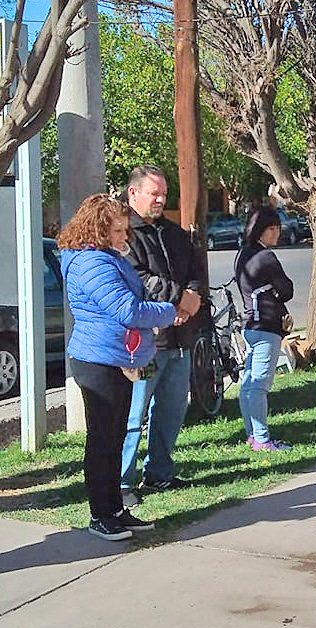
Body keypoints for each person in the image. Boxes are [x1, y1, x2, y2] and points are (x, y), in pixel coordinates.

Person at [59, 195, 177, 540]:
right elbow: (127, 310)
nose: (126, 236)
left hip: (114, 358)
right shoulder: (91, 263)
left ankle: (115, 510)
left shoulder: (105, 257)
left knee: (114, 438)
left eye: (126, 230)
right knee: (102, 441)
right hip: (98, 362)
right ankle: (101, 515)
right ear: (98, 229)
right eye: (118, 230)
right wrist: (170, 312)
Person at [120, 165, 203, 508]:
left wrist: (191, 301)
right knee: (133, 417)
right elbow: (139, 279)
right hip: (145, 344)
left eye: (164, 194)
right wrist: (178, 299)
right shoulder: (125, 234)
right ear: (133, 193)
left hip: (180, 339)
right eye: (154, 193)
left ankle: (159, 473)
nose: (160, 200)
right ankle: (121, 483)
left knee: (171, 411)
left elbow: (195, 271)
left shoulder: (174, 233)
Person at [235, 207, 294, 451]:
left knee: (248, 383)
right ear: (263, 230)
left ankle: (252, 434)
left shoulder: (242, 254)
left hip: (249, 325)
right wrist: (277, 295)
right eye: (274, 229)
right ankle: (262, 439)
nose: (278, 233)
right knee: (259, 386)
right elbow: (287, 289)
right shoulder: (266, 257)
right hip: (266, 326)